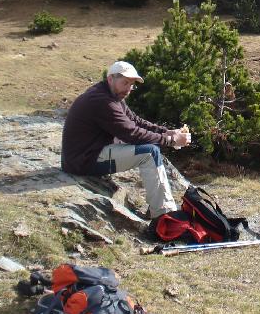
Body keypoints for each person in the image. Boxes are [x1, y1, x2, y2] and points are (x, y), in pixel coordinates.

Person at [62, 60, 190, 220]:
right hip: (83, 160)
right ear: (110, 79)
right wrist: (170, 140)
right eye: (125, 83)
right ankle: (164, 215)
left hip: (87, 154)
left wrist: (168, 132)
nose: (129, 89)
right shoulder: (103, 101)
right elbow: (131, 134)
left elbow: (135, 121)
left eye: (132, 85)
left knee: (150, 150)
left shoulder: (111, 95)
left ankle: (161, 210)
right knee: (149, 153)